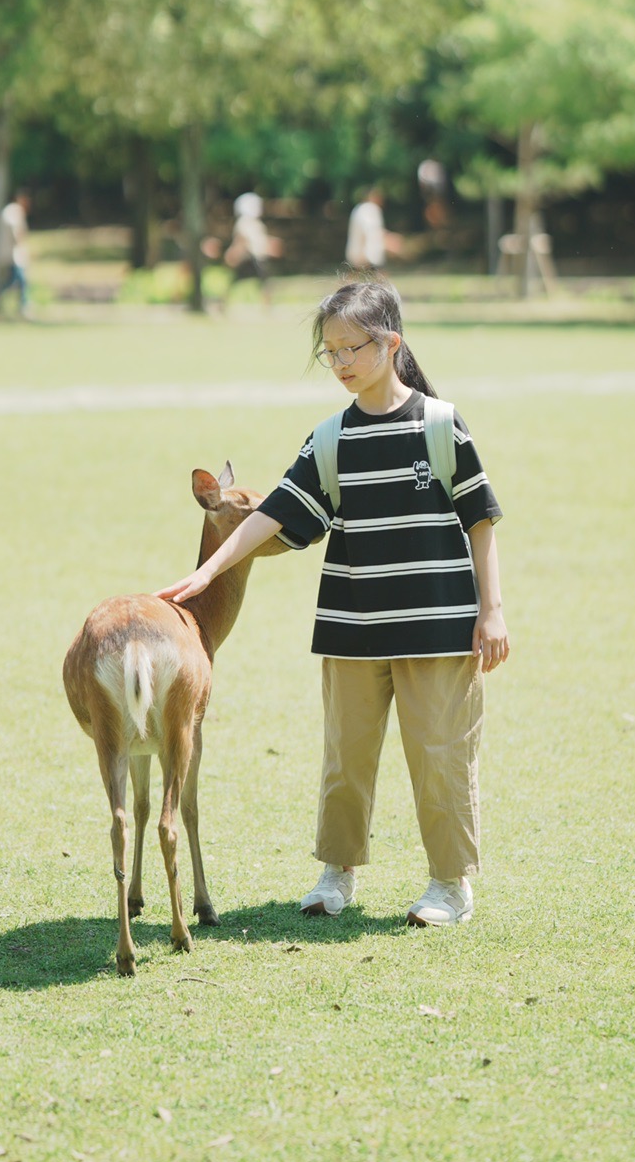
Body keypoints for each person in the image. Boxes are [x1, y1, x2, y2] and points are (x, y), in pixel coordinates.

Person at [158, 276, 509, 927]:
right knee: (345, 759)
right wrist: (208, 572)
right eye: (331, 352)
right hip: (351, 630)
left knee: (440, 758)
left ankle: (449, 885)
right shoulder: (328, 439)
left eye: (354, 348)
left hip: (438, 630)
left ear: (391, 343)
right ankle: (336, 874)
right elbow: (273, 517)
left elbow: (480, 519)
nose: (342, 363)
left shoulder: (441, 425)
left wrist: (492, 610)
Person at [224, 192, 279, 306]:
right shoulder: (244, 222)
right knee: (261, 281)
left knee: (263, 282)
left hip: (257, 256)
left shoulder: (254, 223)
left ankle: (267, 305)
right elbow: (242, 240)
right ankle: (223, 302)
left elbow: (258, 240)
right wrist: (234, 253)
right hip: (251, 256)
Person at [345, 185, 401, 272]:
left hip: (356, 251)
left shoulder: (358, 209)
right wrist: (388, 240)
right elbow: (371, 231)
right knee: (381, 278)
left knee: (353, 277)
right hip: (368, 253)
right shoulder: (371, 209)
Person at [0, 187, 30, 315]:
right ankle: (23, 305)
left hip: (9, 254)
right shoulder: (14, 210)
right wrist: (19, 240)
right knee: (19, 280)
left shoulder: (9, 210)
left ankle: (19, 304)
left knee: (12, 280)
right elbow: (15, 230)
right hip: (13, 255)